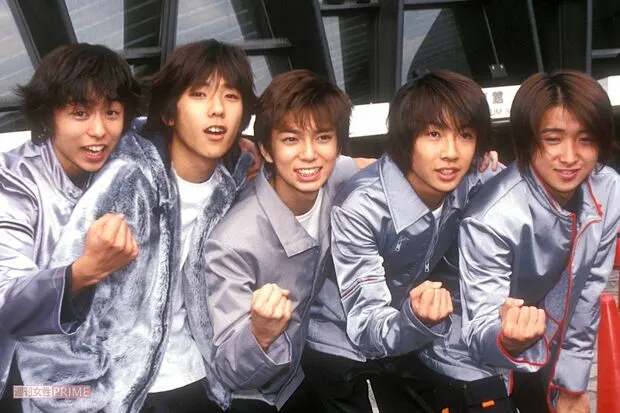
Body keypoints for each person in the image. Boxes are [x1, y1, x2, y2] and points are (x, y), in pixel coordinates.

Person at [303, 70, 499, 413]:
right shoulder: (362, 207)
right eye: (434, 134)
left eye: (465, 135)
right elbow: (366, 323)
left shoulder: (472, 179)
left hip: (409, 328)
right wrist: (418, 319)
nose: (451, 152)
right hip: (343, 341)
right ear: (407, 139)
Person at [202, 69, 367, 412]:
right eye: (291, 139)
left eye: (323, 137)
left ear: (338, 146)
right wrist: (260, 332)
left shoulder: (337, 176)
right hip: (257, 394)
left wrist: (478, 161)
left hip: (311, 364)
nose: (309, 154)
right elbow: (229, 369)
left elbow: (388, 169)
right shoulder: (232, 241)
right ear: (266, 148)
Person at [456, 71, 620, 413]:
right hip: (474, 354)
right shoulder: (491, 217)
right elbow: (479, 328)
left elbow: (587, 292)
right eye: (553, 139)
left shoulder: (607, 189)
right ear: (529, 140)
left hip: (547, 340)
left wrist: (571, 385)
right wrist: (508, 339)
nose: (570, 156)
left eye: (586, 139)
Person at [0, 43, 144, 412]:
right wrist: (84, 272)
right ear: (48, 115)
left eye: (112, 112)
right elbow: (6, 300)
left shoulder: (126, 156)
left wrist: (240, 150)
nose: (99, 130)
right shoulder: (12, 181)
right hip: (21, 382)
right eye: (80, 113)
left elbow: (169, 134)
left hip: (107, 368)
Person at [137, 39, 257, 413]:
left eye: (231, 96)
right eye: (199, 94)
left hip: (193, 375)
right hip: (116, 382)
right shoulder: (127, 181)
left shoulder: (234, 187)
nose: (217, 109)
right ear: (169, 113)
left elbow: (301, 158)